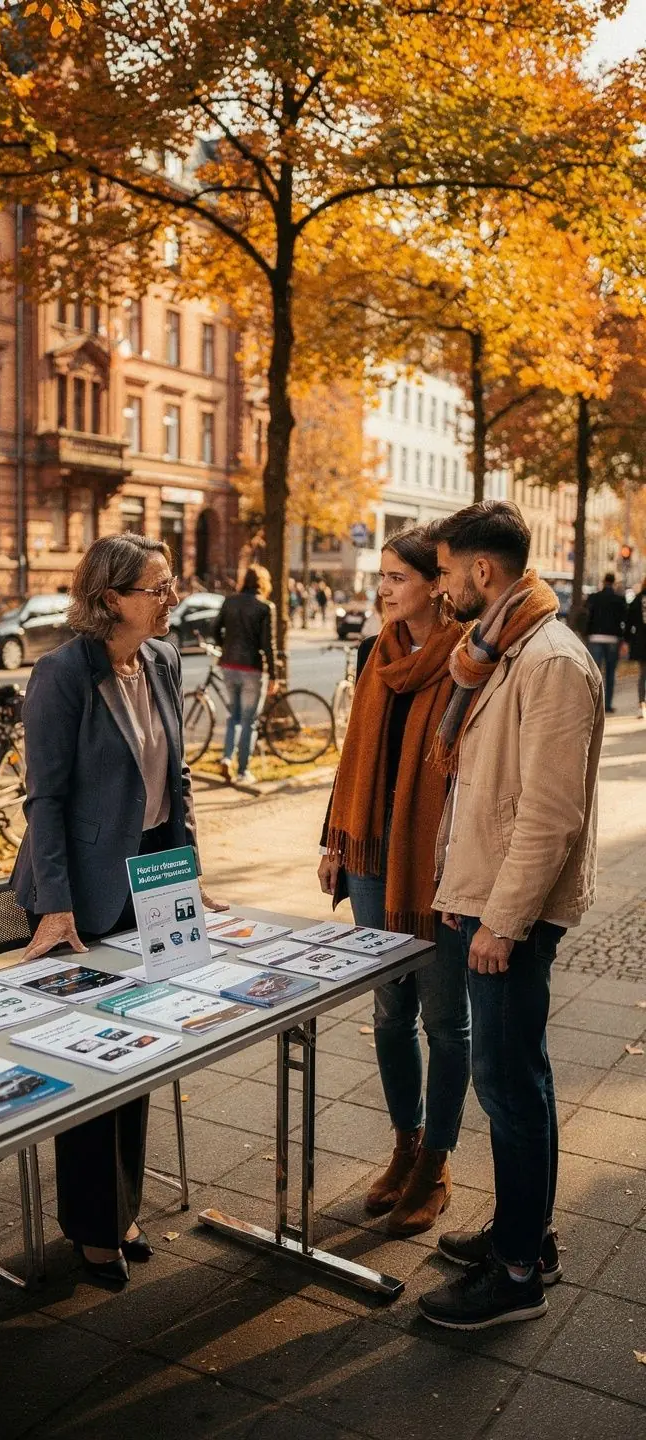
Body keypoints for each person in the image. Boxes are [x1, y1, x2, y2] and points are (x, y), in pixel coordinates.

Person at [11, 533, 224, 1287]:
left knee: (140, 1051)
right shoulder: (64, 673)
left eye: (173, 586)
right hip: (88, 894)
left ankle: (122, 1208)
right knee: (87, 1059)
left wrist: (191, 875)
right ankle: (91, 1228)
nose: (173, 600)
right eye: (158, 590)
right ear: (110, 600)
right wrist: (58, 906)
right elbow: (47, 799)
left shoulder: (161, 659)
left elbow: (181, 779)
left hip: (154, 884)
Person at [418, 500, 603, 1331]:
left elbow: (550, 813)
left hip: (506, 913)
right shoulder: (505, 648)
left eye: (448, 571)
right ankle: (524, 1234)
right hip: (481, 897)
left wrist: (501, 921)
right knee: (515, 1080)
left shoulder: (550, 661)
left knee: (508, 1085)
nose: (442, 585)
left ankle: (518, 1274)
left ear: (481, 573)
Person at [318, 526, 471, 1236]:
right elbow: (354, 749)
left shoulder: (470, 658)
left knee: (444, 1020)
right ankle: (405, 1143)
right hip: (373, 855)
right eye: (381, 577)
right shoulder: (375, 649)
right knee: (389, 1012)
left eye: (396, 578)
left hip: (435, 864)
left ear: (435, 584)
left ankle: (437, 1161)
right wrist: (333, 840)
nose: (381, 589)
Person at [213, 565, 277, 785]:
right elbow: (268, 645)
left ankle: (226, 757)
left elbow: (215, 629)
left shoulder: (229, 601)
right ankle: (243, 771)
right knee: (249, 721)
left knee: (234, 716)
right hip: (252, 668)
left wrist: (225, 647)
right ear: (263, 583)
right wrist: (275, 675)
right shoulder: (265, 607)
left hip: (229, 665)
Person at [585, 572, 626, 713]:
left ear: (603, 581)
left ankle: (594, 705)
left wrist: (587, 634)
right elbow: (623, 620)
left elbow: (587, 617)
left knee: (594, 673)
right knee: (610, 673)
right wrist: (622, 639)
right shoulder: (619, 600)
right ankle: (607, 705)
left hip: (595, 637)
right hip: (612, 639)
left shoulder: (594, 598)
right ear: (614, 582)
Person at [627, 576, 646, 720]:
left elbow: (629, 622)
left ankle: (641, 705)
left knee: (642, 675)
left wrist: (629, 640)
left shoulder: (637, 599)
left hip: (641, 642)